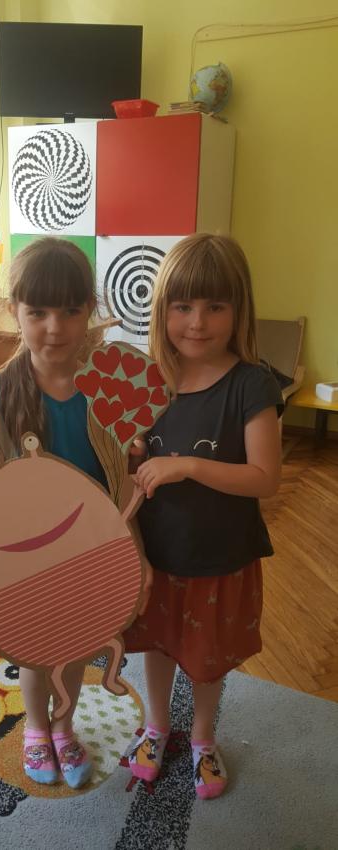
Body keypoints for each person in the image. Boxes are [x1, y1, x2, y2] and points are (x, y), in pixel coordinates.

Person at [0, 236, 124, 790]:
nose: (54, 328)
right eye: (38, 312)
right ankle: (37, 728)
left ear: (90, 309)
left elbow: (123, 470)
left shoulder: (106, 386)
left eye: (71, 311)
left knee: (76, 648)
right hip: (25, 553)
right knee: (36, 651)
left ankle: (64, 727)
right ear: (14, 310)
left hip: (88, 547)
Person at [123, 233, 283, 799]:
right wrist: (132, 453)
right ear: (162, 308)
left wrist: (186, 465)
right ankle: (156, 727)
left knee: (207, 660)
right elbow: (130, 461)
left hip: (220, 557)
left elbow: (265, 478)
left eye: (215, 306)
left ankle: (203, 738)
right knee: (157, 645)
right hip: (157, 554)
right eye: (183, 305)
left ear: (239, 310)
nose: (197, 322)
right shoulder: (148, 381)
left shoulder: (252, 384)